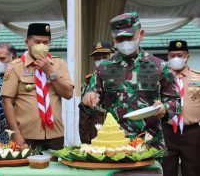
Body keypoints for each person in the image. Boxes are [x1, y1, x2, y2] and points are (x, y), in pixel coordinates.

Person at [82, 12, 180, 149]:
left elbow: (175, 101)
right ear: (113, 39)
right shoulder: (103, 68)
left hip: (150, 143)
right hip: (115, 144)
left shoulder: (159, 66)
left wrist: (165, 108)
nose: (125, 43)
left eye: (129, 37)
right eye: (120, 39)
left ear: (141, 34)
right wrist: (88, 100)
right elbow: (89, 99)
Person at [1, 23, 74, 150]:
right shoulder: (16, 66)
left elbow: (68, 94)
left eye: (46, 42)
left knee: (54, 169)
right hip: (26, 135)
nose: (42, 46)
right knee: (26, 169)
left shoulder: (59, 64)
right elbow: (7, 102)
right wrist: (16, 134)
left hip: (55, 134)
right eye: (37, 42)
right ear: (27, 42)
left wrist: (50, 72)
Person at [162, 40, 200, 176]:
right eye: (172, 55)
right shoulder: (161, 79)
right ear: (168, 57)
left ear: (187, 57)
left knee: (192, 170)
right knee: (166, 170)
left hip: (192, 133)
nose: (175, 58)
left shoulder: (198, 78)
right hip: (167, 131)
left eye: (179, 54)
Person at [79, 41, 113, 144]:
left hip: (118, 131)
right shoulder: (90, 80)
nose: (101, 60)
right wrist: (86, 139)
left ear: (112, 55)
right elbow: (84, 112)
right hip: (98, 132)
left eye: (105, 56)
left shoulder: (122, 78)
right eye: (97, 58)